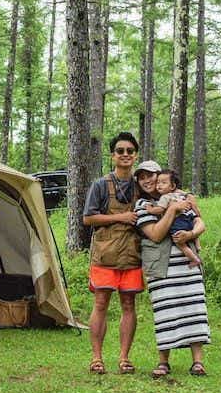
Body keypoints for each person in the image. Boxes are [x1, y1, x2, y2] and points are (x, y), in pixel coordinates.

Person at [133, 161, 211, 378]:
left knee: (194, 307)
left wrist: (191, 234)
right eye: (142, 177)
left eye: (152, 176)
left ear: (163, 179)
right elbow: (156, 234)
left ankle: (197, 362)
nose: (148, 180)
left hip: (186, 262)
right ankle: (163, 362)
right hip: (160, 265)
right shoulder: (142, 205)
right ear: (138, 182)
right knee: (164, 310)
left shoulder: (183, 197)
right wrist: (173, 209)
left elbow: (199, 220)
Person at [82, 132, 142, 375]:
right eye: (120, 151)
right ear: (113, 155)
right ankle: (97, 358)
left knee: (129, 304)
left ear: (135, 155)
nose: (125, 155)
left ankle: (124, 358)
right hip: (105, 255)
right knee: (101, 303)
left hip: (132, 255)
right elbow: (88, 218)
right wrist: (121, 217)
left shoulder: (142, 186)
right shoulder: (100, 185)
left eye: (129, 151)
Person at [145, 169, 201, 267]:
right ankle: (198, 244)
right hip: (188, 218)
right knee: (193, 229)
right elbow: (194, 209)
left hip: (178, 222)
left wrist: (150, 209)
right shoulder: (181, 195)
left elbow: (160, 210)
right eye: (158, 182)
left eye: (163, 183)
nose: (159, 185)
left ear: (172, 186)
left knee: (180, 243)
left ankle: (194, 259)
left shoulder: (165, 197)